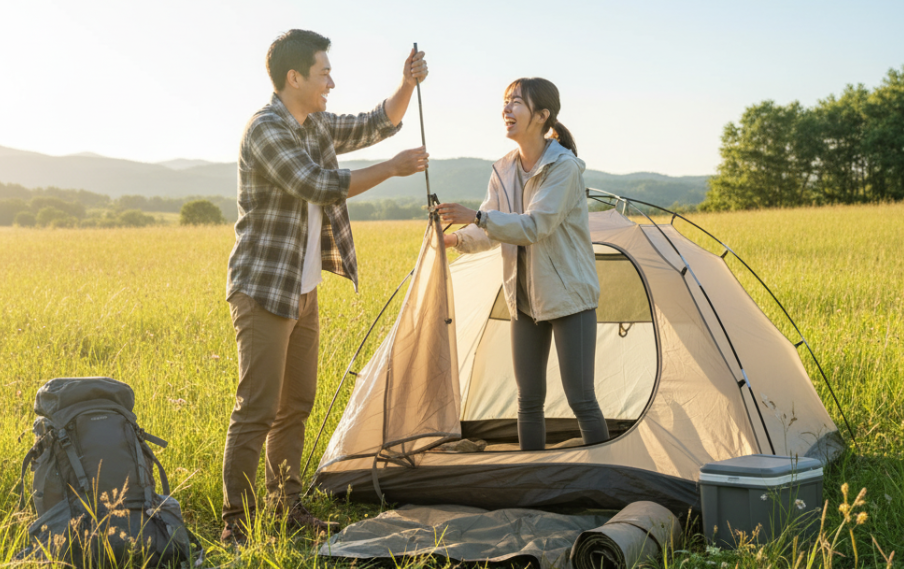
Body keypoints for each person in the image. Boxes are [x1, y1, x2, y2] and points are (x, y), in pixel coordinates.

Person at [223, 29, 429, 544]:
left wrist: (405, 84)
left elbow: (376, 122)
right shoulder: (265, 130)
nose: (332, 83)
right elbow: (317, 184)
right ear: (294, 78)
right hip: (265, 290)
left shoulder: (313, 122)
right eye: (324, 73)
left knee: (297, 404)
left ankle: (285, 507)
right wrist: (393, 168)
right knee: (257, 407)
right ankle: (237, 524)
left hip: (304, 289)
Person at [436, 77, 608, 452]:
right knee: (527, 401)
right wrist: (454, 238)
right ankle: (533, 477)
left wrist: (479, 217)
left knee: (580, 397)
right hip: (524, 299)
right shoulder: (504, 169)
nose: (506, 109)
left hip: (569, 297)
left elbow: (535, 226)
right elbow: (493, 229)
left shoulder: (563, 168)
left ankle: (605, 476)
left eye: (516, 102)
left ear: (542, 115)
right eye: (505, 101)